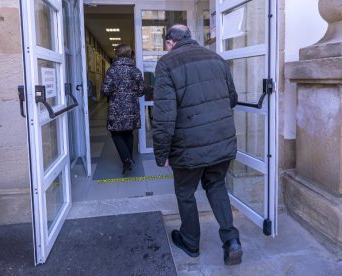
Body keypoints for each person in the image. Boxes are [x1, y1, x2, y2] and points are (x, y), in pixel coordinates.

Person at [152, 25, 242, 265]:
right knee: (216, 185)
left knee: (185, 193)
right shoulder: (217, 59)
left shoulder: (167, 63)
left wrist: (162, 154)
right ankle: (231, 240)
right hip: (221, 138)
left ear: (170, 42)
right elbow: (232, 98)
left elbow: (164, 116)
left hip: (187, 144)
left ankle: (190, 242)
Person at [101, 44, 144, 175]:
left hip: (116, 108)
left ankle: (127, 159)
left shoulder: (112, 71)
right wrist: (131, 93)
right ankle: (129, 159)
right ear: (130, 54)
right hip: (131, 107)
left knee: (116, 133)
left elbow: (105, 91)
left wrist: (114, 92)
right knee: (128, 133)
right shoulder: (135, 70)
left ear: (117, 55)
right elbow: (141, 91)